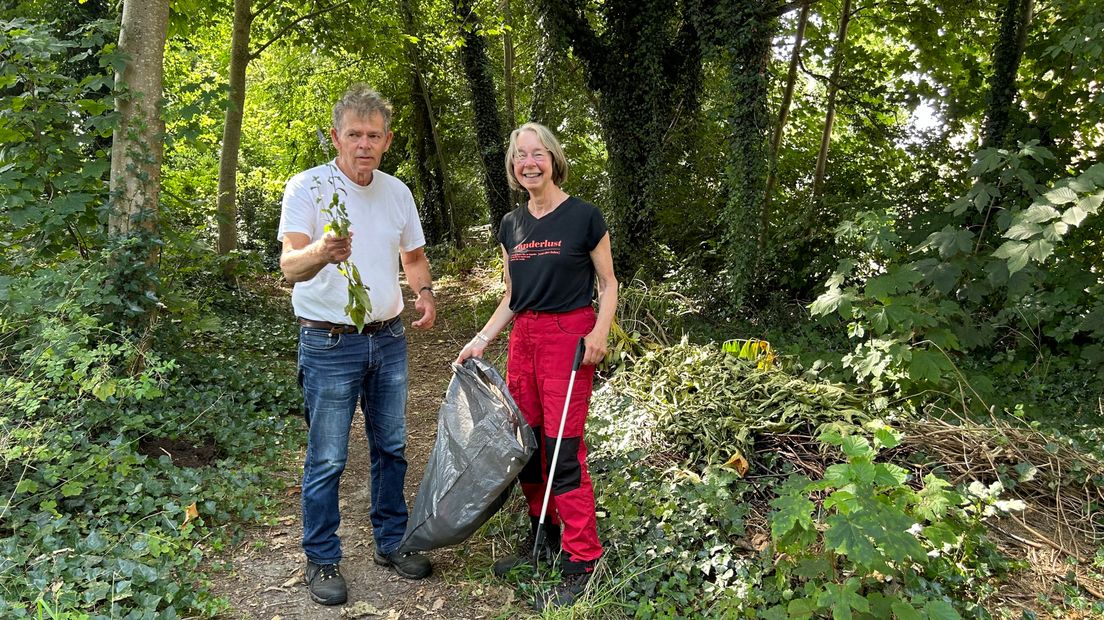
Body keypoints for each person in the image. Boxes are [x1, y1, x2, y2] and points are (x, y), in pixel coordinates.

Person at [278, 84, 436, 607]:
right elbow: (289, 268)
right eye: (354, 134)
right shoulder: (308, 188)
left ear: (387, 140)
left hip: (388, 340)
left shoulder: (398, 193)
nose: (363, 144)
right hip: (328, 342)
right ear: (335, 136)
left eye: (373, 135)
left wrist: (426, 293)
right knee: (327, 458)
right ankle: (322, 557)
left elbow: (412, 256)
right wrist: (322, 251)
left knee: (391, 447)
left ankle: (392, 542)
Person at [455, 122, 618, 611]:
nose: (530, 162)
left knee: (563, 451)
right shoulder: (511, 225)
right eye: (520, 155)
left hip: (569, 338)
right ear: (512, 165)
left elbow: (609, 284)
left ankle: (583, 558)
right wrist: (482, 340)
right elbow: (512, 295)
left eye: (538, 153)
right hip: (524, 340)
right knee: (526, 447)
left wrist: (599, 333)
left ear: (553, 159)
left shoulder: (584, 217)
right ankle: (542, 538)